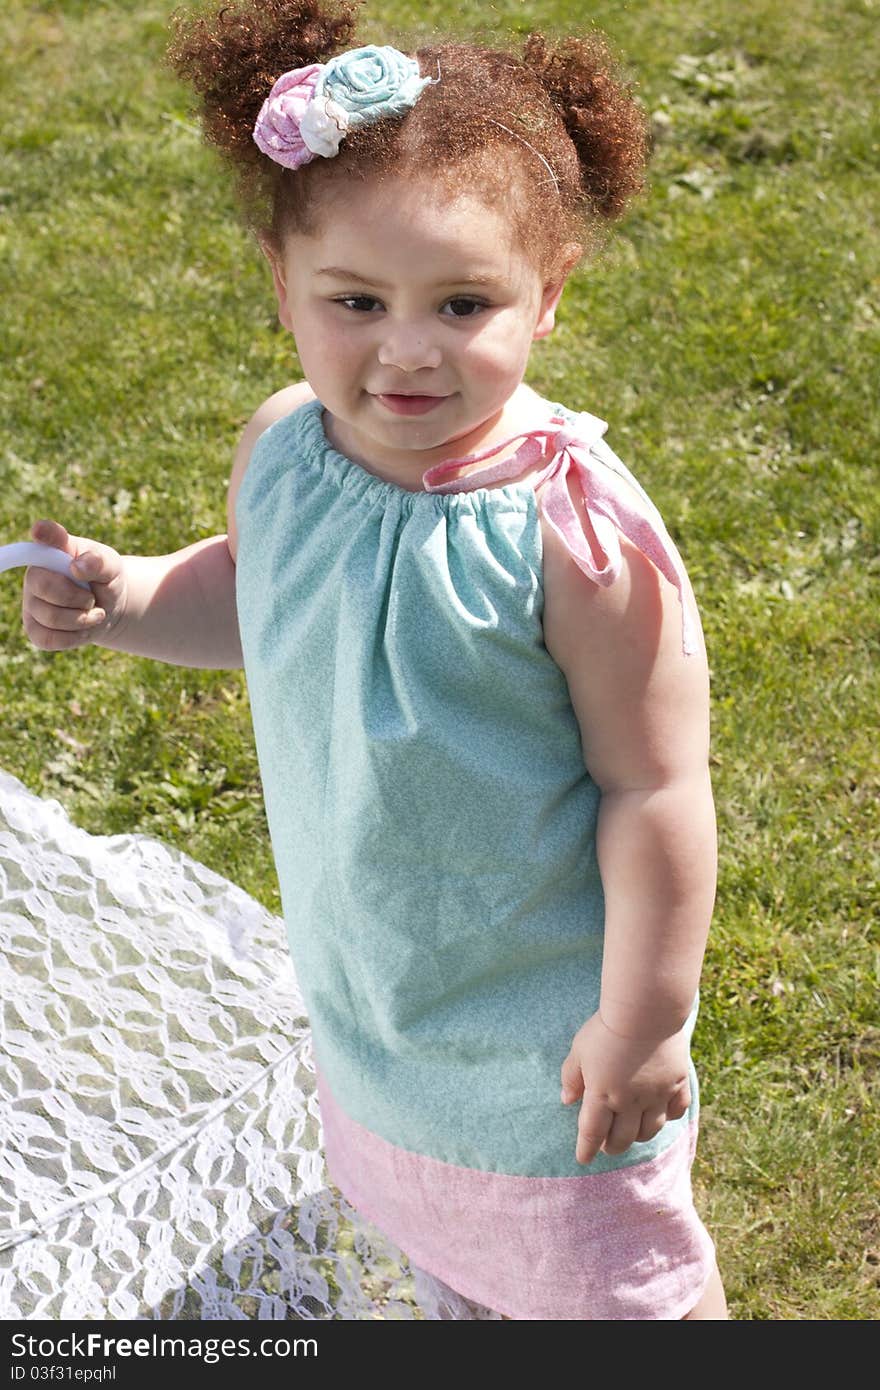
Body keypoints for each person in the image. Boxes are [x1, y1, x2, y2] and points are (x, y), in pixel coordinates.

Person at [21, 0, 728, 1320]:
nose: (408, 348)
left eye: (464, 303)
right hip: (384, 1022)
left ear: (549, 294)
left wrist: (642, 1021)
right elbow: (255, 590)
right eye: (357, 301)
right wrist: (127, 599)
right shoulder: (286, 448)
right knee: (449, 1270)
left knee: (609, 1301)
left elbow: (655, 786)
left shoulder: (577, 537)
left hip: (548, 1060)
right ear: (282, 288)